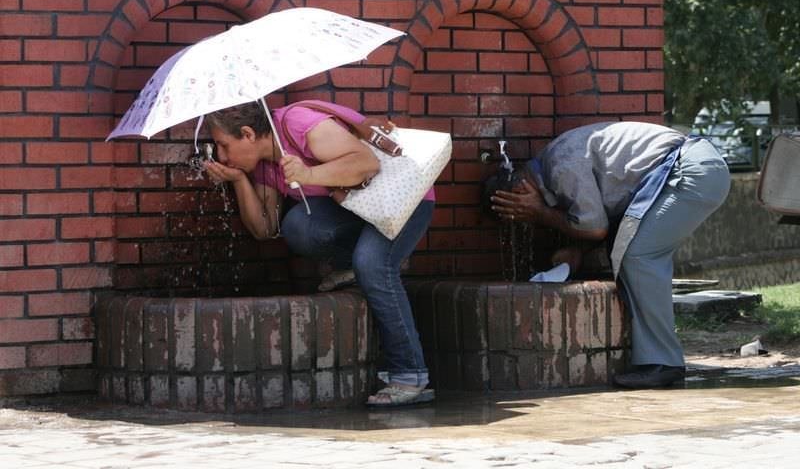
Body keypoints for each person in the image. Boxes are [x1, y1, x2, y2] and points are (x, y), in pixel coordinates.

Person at [203, 99, 435, 407]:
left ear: (247, 134)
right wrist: (239, 180)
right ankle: (353, 264)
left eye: (223, 145)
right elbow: (264, 227)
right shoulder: (263, 166)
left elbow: (366, 164)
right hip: (358, 208)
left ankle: (411, 375)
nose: (221, 156)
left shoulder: (297, 123)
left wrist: (308, 175)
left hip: (405, 198)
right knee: (298, 225)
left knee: (374, 266)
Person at [491, 121, 731, 389]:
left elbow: (595, 228)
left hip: (690, 171)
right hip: (694, 169)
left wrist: (541, 212)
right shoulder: (557, 164)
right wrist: (577, 252)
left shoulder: (561, 164)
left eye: (519, 210)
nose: (527, 222)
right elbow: (609, 219)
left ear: (521, 189)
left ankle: (663, 364)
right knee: (635, 253)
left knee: (639, 256)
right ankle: (661, 360)